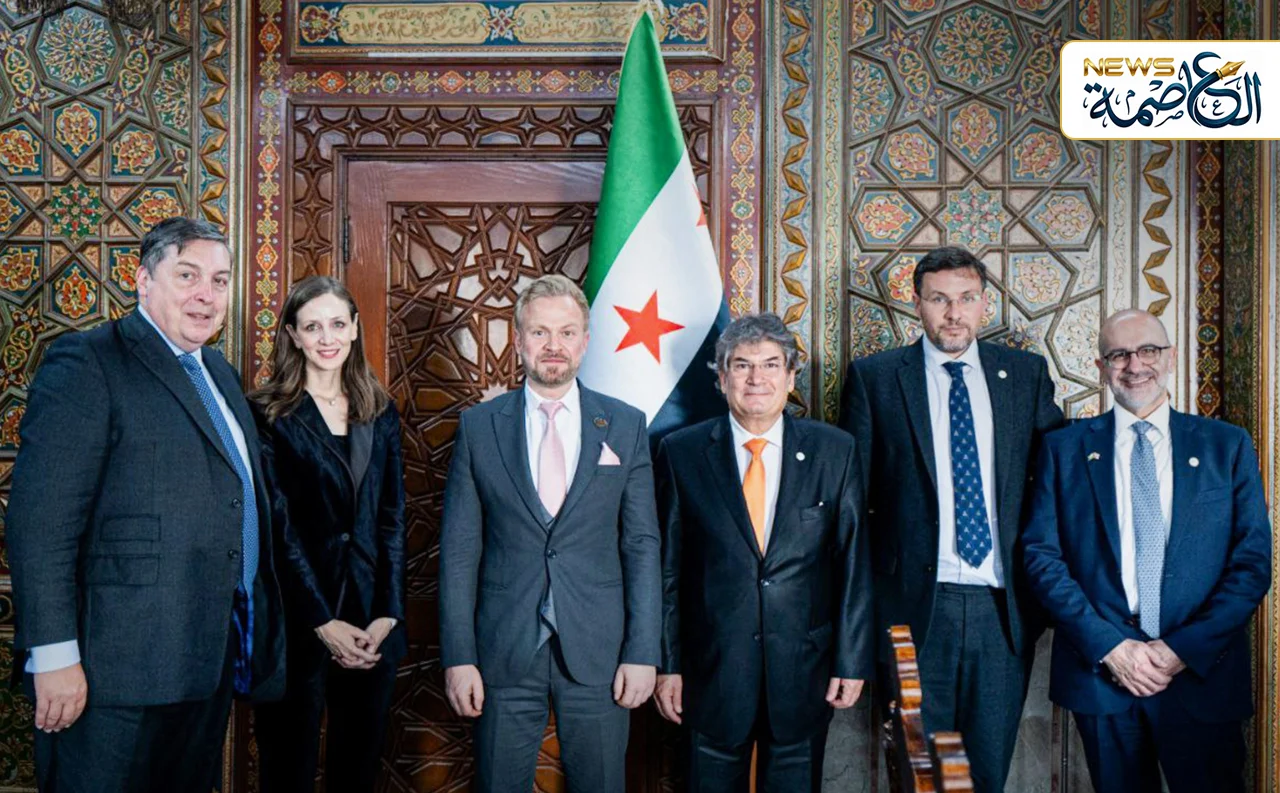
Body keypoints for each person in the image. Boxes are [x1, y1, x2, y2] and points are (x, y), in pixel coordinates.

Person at [6, 217, 286, 791]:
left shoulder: (220, 374)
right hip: (111, 675)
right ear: (143, 280)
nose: (206, 294)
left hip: (204, 660)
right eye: (187, 275)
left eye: (219, 280)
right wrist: (54, 655)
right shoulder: (89, 361)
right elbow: (40, 523)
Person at [838, 245, 1063, 792]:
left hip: (1000, 612)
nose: (954, 313)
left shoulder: (1025, 374)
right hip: (913, 613)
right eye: (939, 299)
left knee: (983, 773)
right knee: (920, 774)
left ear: (985, 303)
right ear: (916, 303)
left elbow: (1057, 483)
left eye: (966, 298)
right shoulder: (876, 378)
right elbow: (852, 505)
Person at [1023, 308, 1271, 793]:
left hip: (1201, 672)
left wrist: (1180, 650)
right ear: (1101, 367)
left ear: (1171, 357)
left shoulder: (1226, 445)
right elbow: (1041, 557)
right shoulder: (1063, 449)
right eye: (1119, 354)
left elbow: (1251, 564)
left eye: (1148, 351)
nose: (1135, 365)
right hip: (1103, 672)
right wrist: (1111, 648)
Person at [437, 274, 661, 792]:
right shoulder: (479, 427)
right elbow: (459, 551)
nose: (553, 345)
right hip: (503, 651)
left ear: (585, 341)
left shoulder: (625, 425)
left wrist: (643, 651)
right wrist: (459, 656)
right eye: (540, 332)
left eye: (566, 332)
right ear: (519, 341)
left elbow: (642, 546)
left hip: (602, 653)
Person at [653, 313, 872, 792]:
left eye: (771, 365)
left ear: (791, 377)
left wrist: (851, 661)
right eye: (742, 365)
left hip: (804, 673)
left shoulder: (835, 451)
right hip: (710, 674)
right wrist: (667, 665)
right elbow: (666, 572)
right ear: (721, 377)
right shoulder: (681, 452)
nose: (757, 378)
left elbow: (853, 563)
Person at [250, 276, 406, 792]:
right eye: (312, 327)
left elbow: (392, 517)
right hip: (298, 622)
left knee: (356, 772)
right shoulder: (267, 413)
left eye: (337, 324)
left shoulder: (380, 410)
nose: (327, 338)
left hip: (371, 622)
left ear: (355, 328)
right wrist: (322, 620)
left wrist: (387, 613)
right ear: (293, 335)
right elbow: (276, 526)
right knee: (287, 772)